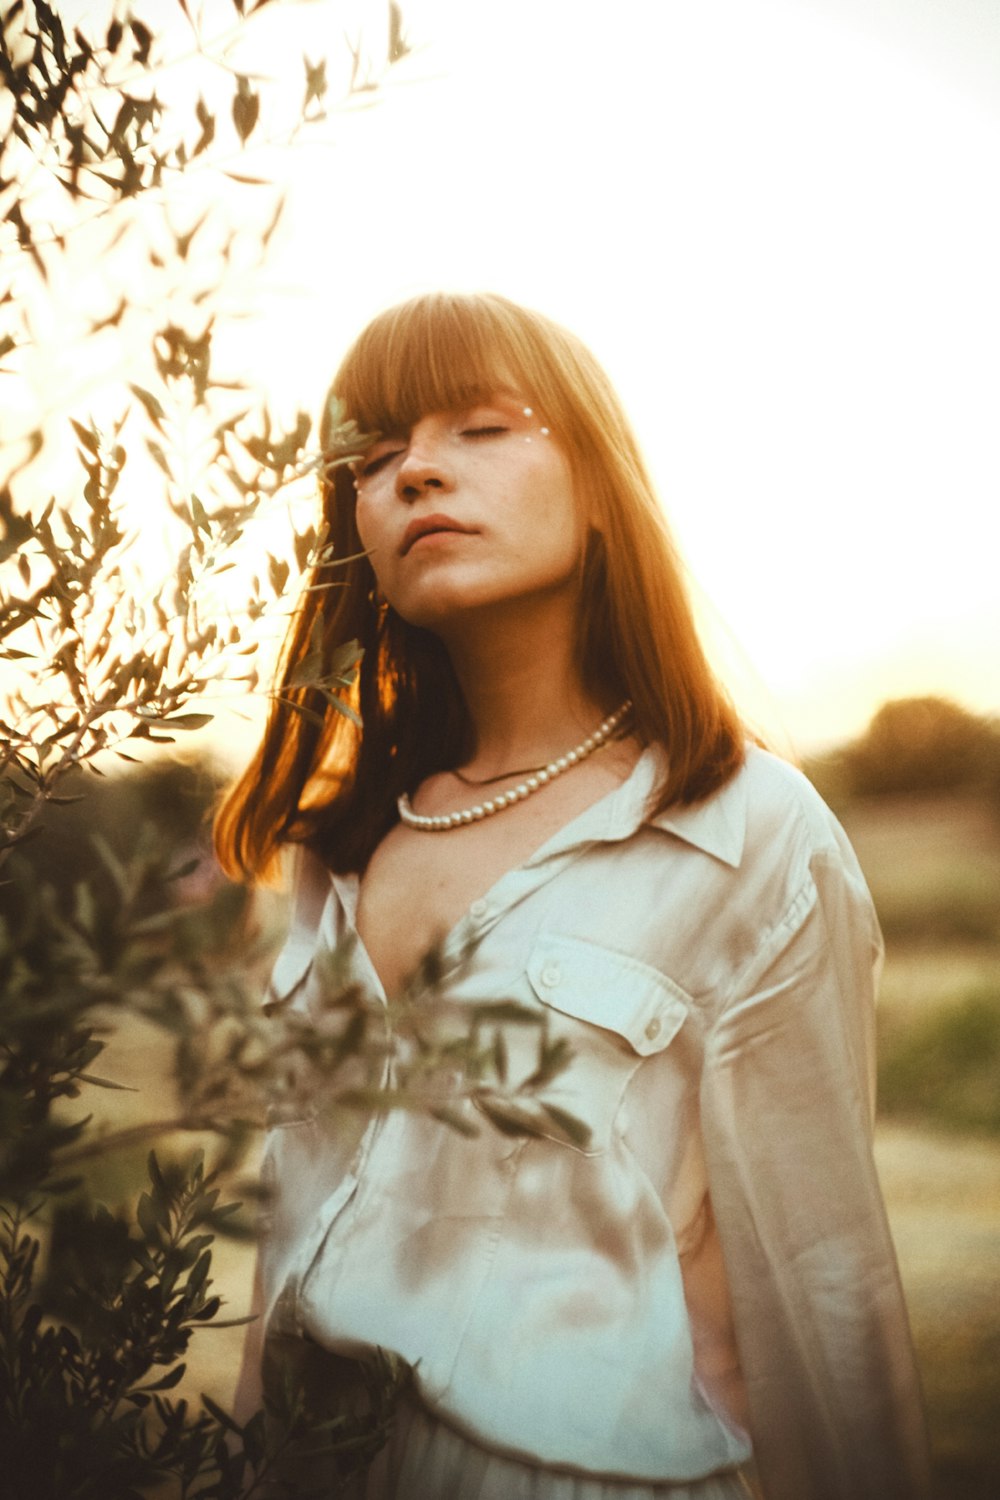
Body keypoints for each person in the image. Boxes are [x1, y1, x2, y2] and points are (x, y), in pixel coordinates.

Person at [214, 292, 931, 1500]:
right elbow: (288, 1232)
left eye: (480, 430)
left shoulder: (745, 833)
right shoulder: (333, 846)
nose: (417, 473)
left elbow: (820, 1280)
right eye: (374, 457)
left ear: (601, 487)